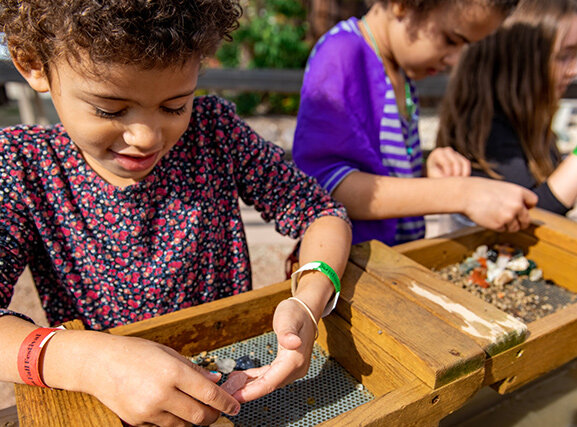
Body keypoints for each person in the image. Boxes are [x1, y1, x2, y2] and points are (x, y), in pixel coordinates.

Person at [0, 1, 352, 425]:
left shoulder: (214, 135)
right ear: (33, 63)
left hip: (236, 386)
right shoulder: (24, 168)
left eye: (174, 106)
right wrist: (91, 363)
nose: (146, 137)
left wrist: (309, 303)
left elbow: (321, 213)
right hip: (110, 406)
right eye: (110, 109)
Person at [293, 0, 538, 247]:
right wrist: (461, 193)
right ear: (402, 5)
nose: (455, 59)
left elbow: (378, 171)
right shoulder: (341, 53)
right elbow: (327, 185)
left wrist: (423, 172)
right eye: (451, 40)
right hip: (346, 267)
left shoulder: (400, 73)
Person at [436, 0, 577, 216]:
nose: (574, 70)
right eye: (563, 56)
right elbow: (527, 215)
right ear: (519, 60)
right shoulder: (487, 129)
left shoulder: (529, 121)